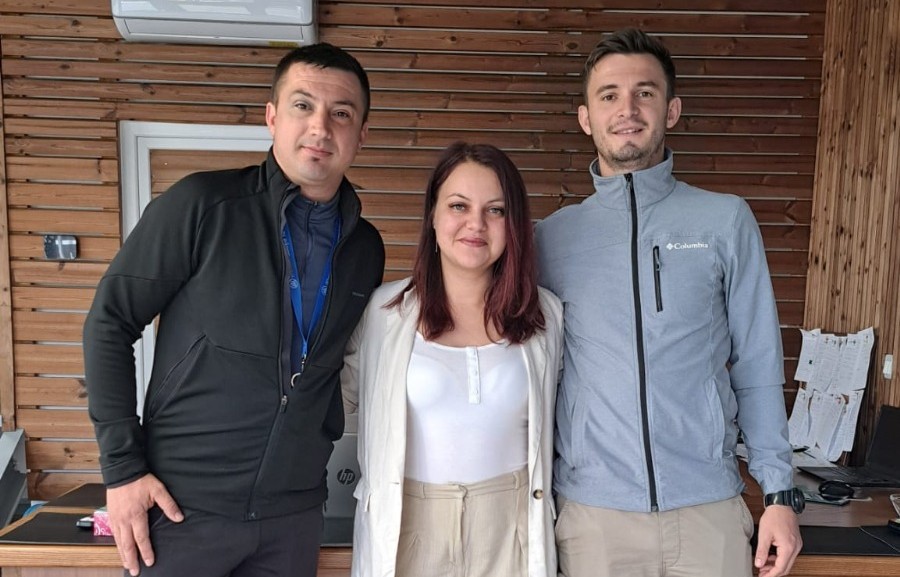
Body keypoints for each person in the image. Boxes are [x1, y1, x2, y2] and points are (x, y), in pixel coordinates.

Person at [83, 43, 385, 577]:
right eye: (302, 105)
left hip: (292, 517)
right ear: (272, 116)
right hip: (183, 510)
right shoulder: (203, 205)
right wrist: (123, 469)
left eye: (341, 113)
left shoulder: (364, 248)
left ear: (361, 133)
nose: (320, 127)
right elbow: (110, 322)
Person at [536, 29, 802, 577]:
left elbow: (757, 364)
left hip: (708, 512)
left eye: (645, 93)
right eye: (609, 95)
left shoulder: (724, 220)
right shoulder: (551, 239)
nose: (627, 109)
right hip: (593, 518)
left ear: (671, 109)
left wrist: (779, 493)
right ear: (586, 117)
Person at [341, 142, 563, 577]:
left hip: (513, 530)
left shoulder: (546, 316)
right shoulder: (384, 313)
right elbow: (334, 403)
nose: (476, 224)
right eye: (459, 205)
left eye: (495, 210)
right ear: (433, 215)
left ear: (513, 225)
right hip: (410, 529)